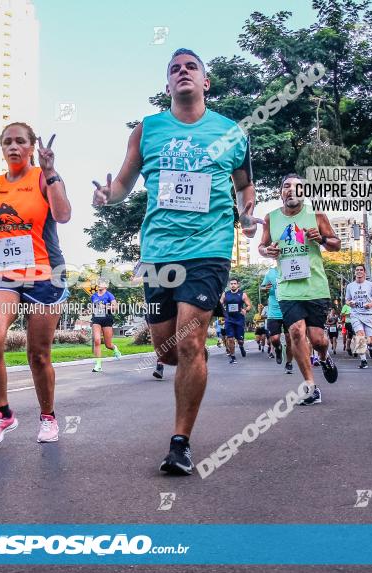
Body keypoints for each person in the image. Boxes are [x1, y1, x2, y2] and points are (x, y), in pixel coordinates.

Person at [93, 48, 256, 474]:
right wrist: (106, 196)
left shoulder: (231, 132)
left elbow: (244, 186)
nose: (182, 72)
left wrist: (248, 214)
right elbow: (124, 183)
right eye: (174, 69)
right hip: (158, 253)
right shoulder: (147, 130)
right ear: (167, 85)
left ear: (206, 82)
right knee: (166, 351)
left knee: (188, 342)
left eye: (191, 68)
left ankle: (180, 443)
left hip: (209, 248)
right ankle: (189, 370)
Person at [0, 123, 71, 445]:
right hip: (3, 273)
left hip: (44, 273)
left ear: (31, 147)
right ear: (2, 148)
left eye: (20, 141)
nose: (13, 147)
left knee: (38, 354)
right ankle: (3, 414)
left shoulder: (43, 177)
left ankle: (48, 417)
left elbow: (64, 214)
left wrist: (52, 171)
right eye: (7, 142)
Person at [258, 174, 339, 405]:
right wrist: (268, 251)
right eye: (286, 186)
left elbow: (336, 244)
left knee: (318, 340)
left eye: (298, 187)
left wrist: (321, 239)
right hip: (287, 287)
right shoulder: (271, 218)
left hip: (315, 287)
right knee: (295, 331)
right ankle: (311, 387)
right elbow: (262, 246)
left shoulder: (316, 215)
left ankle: (324, 356)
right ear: (280, 191)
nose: (291, 191)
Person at [345, 265, 372, 369]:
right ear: (354, 272)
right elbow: (347, 300)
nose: (359, 271)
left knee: (371, 340)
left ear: (365, 272)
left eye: (361, 270)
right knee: (360, 335)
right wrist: (350, 303)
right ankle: (363, 361)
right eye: (357, 270)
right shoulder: (350, 286)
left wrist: (370, 304)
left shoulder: (370, 285)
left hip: (369, 314)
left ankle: (370, 347)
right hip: (355, 314)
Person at [261, 266, 293, 371]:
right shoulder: (271, 272)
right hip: (274, 311)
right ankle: (278, 348)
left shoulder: (291, 267)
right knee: (274, 339)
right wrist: (265, 288)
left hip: (289, 309)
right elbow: (262, 287)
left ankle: (289, 362)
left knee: (289, 339)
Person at [89, 282, 121, 372]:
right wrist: (89, 311)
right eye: (98, 283)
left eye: (101, 283)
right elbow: (93, 308)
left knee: (108, 344)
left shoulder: (109, 295)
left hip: (107, 319)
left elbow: (115, 308)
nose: (98, 284)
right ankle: (98, 365)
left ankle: (114, 348)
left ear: (106, 286)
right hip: (96, 319)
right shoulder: (93, 296)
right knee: (97, 341)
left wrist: (105, 307)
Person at [220, 278, 251, 364]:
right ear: (229, 285)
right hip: (229, 319)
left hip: (239, 320)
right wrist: (220, 309)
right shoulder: (225, 294)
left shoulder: (243, 294)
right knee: (230, 339)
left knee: (240, 340)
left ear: (238, 285)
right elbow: (220, 304)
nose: (233, 285)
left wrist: (246, 310)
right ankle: (233, 356)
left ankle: (241, 346)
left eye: (234, 283)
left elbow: (249, 305)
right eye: (231, 284)